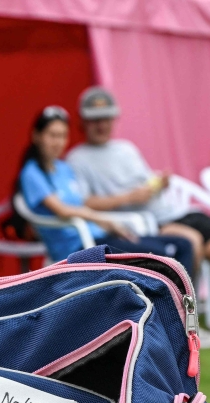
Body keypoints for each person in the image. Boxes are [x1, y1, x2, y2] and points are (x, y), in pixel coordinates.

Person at [67, 86, 210, 339]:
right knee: (191, 245)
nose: (101, 125)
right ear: (83, 122)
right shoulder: (77, 159)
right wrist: (127, 198)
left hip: (179, 212)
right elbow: (83, 203)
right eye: (95, 120)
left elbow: (147, 183)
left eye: (106, 118)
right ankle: (185, 323)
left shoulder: (126, 149)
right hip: (150, 224)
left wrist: (159, 183)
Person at [16, 105, 195, 277]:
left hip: (99, 235)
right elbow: (63, 210)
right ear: (37, 136)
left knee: (184, 244)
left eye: (63, 136)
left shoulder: (63, 169)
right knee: (161, 254)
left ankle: (182, 305)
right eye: (52, 135)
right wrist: (105, 221)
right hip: (79, 246)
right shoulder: (32, 173)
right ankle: (166, 304)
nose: (58, 142)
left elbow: (82, 202)